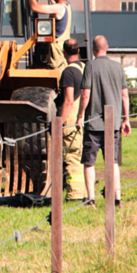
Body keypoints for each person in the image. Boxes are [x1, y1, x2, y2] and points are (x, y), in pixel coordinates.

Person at [76, 35, 130, 207]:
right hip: (113, 123)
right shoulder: (118, 67)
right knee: (112, 161)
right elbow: (124, 96)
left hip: (93, 123)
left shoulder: (90, 66)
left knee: (89, 162)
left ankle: (91, 199)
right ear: (107, 47)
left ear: (93, 48)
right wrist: (125, 119)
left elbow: (85, 95)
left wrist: (79, 116)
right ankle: (117, 198)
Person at [55, 38, 86, 200]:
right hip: (84, 116)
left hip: (71, 118)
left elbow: (68, 100)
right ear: (79, 51)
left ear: (64, 52)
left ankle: (75, 194)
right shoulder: (84, 68)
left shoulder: (68, 72)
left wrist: (60, 122)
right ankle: (84, 191)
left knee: (71, 156)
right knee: (81, 155)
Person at [22, 0, 72, 69]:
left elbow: (35, 7)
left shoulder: (59, 8)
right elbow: (53, 0)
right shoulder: (66, 7)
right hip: (61, 54)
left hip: (57, 57)